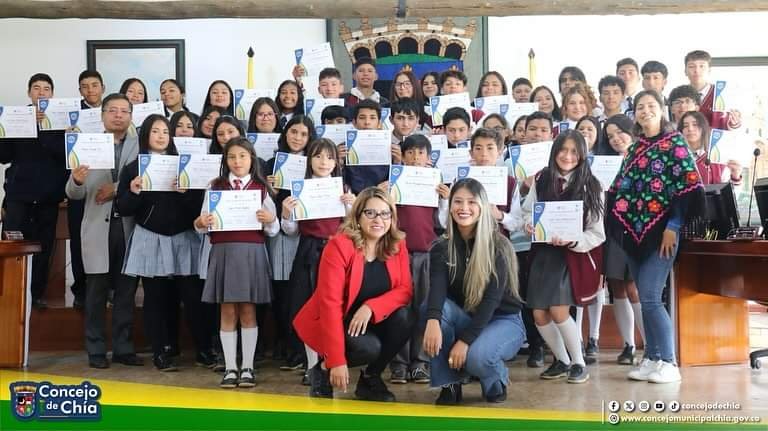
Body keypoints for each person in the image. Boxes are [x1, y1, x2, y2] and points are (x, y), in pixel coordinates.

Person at [606, 90, 704, 384]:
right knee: (645, 296)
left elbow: (686, 188)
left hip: (663, 233)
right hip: (634, 233)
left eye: (651, 105)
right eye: (640, 106)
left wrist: (673, 226)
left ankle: (670, 362)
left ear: (662, 110)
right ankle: (651, 357)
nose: (645, 110)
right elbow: (621, 188)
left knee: (650, 298)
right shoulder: (634, 148)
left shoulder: (675, 143)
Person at [293, 187, 414, 401]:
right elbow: (329, 305)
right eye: (370, 213)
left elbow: (405, 290)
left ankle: (370, 378)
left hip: (372, 319)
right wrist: (336, 361)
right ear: (357, 217)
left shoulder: (397, 244)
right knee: (369, 348)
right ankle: (322, 369)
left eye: (385, 214)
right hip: (339, 320)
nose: (378, 220)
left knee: (406, 317)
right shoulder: (339, 246)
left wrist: (371, 307)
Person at [116, 114, 213, 371]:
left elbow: (199, 206)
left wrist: (185, 193)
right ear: (145, 135)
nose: (161, 136)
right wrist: (134, 192)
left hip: (184, 236)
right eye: (155, 131)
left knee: (193, 296)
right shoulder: (133, 168)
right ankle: (161, 351)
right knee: (156, 298)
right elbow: (123, 208)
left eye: (165, 132)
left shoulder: (184, 165)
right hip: (151, 236)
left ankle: (204, 349)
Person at [423, 177, 525, 404]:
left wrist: (465, 342)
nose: (464, 208)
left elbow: (491, 300)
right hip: (466, 316)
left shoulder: (499, 246)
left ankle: (495, 378)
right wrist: (432, 320)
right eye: (458, 201)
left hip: (503, 320)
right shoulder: (441, 247)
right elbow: (437, 290)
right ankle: (449, 384)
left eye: (471, 202)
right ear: (450, 207)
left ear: (482, 206)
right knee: (432, 310)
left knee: (477, 358)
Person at [194, 137, 280, 388]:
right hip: (223, 252)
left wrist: (270, 219)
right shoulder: (215, 187)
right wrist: (201, 222)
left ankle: (248, 367)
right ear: (225, 160)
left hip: (251, 252)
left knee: (248, 310)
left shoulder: (261, 188)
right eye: (231, 157)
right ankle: (230, 367)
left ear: (252, 159)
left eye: (242, 156)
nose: (237, 161)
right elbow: (200, 225)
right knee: (228, 310)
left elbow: (273, 229)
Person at [65, 93, 142, 369]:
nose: (118, 115)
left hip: (129, 227)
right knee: (96, 293)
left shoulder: (140, 146)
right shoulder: (86, 145)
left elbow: (145, 179)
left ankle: (123, 348)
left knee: (126, 292)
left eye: (124, 111)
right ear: (102, 115)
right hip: (98, 228)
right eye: (112, 110)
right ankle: (96, 349)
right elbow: (73, 193)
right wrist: (76, 180)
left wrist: (116, 188)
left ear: (131, 116)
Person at [523, 130, 605, 384]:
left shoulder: (592, 185)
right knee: (539, 313)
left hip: (571, 257)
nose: (568, 156)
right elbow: (527, 211)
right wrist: (529, 224)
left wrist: (574, 240)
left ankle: (579, 362)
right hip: (543, 254)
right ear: (554, 151)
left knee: (559, 310)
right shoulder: (542, 179)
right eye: (563, 150)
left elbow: (597, 232)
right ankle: (561, 360)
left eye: (574, 152)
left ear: (582, 155)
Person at [280, 138, 355, 393]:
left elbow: (352, 227)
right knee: (307, 307)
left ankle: (331, 361)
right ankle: (312, 365)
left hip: (337, 252)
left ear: (337, 162)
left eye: (330, 157)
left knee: (333, 307)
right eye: (318, 156)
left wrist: (351, 206)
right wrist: (287, 214)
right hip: (308, 251)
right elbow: (291, 231)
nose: (324, 162)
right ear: (309, 160)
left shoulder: (343, 188)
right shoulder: (299, 189)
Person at [0, 73, 67, 309]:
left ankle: (36, 294)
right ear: (29, 93)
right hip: (19, 196)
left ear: (52, 93)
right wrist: (6, 129)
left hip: (48, 197)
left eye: (46, 88)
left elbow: (66, 156)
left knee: (43, 247)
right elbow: (3, 156)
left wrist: (44, 128)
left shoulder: (60, 121)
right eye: (36, 88)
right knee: (12, 245)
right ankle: (7, 294)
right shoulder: (15, 118)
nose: (41, 92)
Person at [387, 135, 449, 384]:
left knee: (424, 307)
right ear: (402, 156)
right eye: (410, 153)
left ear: (429, 158)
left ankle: (420, 361)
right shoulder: (394, 182)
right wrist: (386, 193)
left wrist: (444, 199)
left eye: (421, 153)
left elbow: (443, 223)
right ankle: (398, 363)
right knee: (399, 309)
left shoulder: (435, 183)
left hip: (427, 254)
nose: (415, 158)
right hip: (398, 254)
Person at [601, 114, 645, 365]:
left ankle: (650, 345)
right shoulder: (602, 163)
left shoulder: (644, 157)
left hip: (638, 229)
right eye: (610, 136)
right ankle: (628, 345)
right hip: (613, 229)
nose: (616, 139)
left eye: (620, 132)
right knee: (616, 286)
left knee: (633, 288)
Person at [678, 111, 742, 186]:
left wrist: (735, 175)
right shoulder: (675, 157)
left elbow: (728, 190)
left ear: (703, 128)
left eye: (695, 124)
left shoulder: (716, 158)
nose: (690, 129)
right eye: (685, 126)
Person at [683, 50, 741, 130]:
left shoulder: (721, 93)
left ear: (709, 70)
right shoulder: (679, 95)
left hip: (714, 138)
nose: (697, 71)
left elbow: (730, 123)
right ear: (685, 71)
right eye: (691, 66)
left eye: (702, 66)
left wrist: (734, 122)